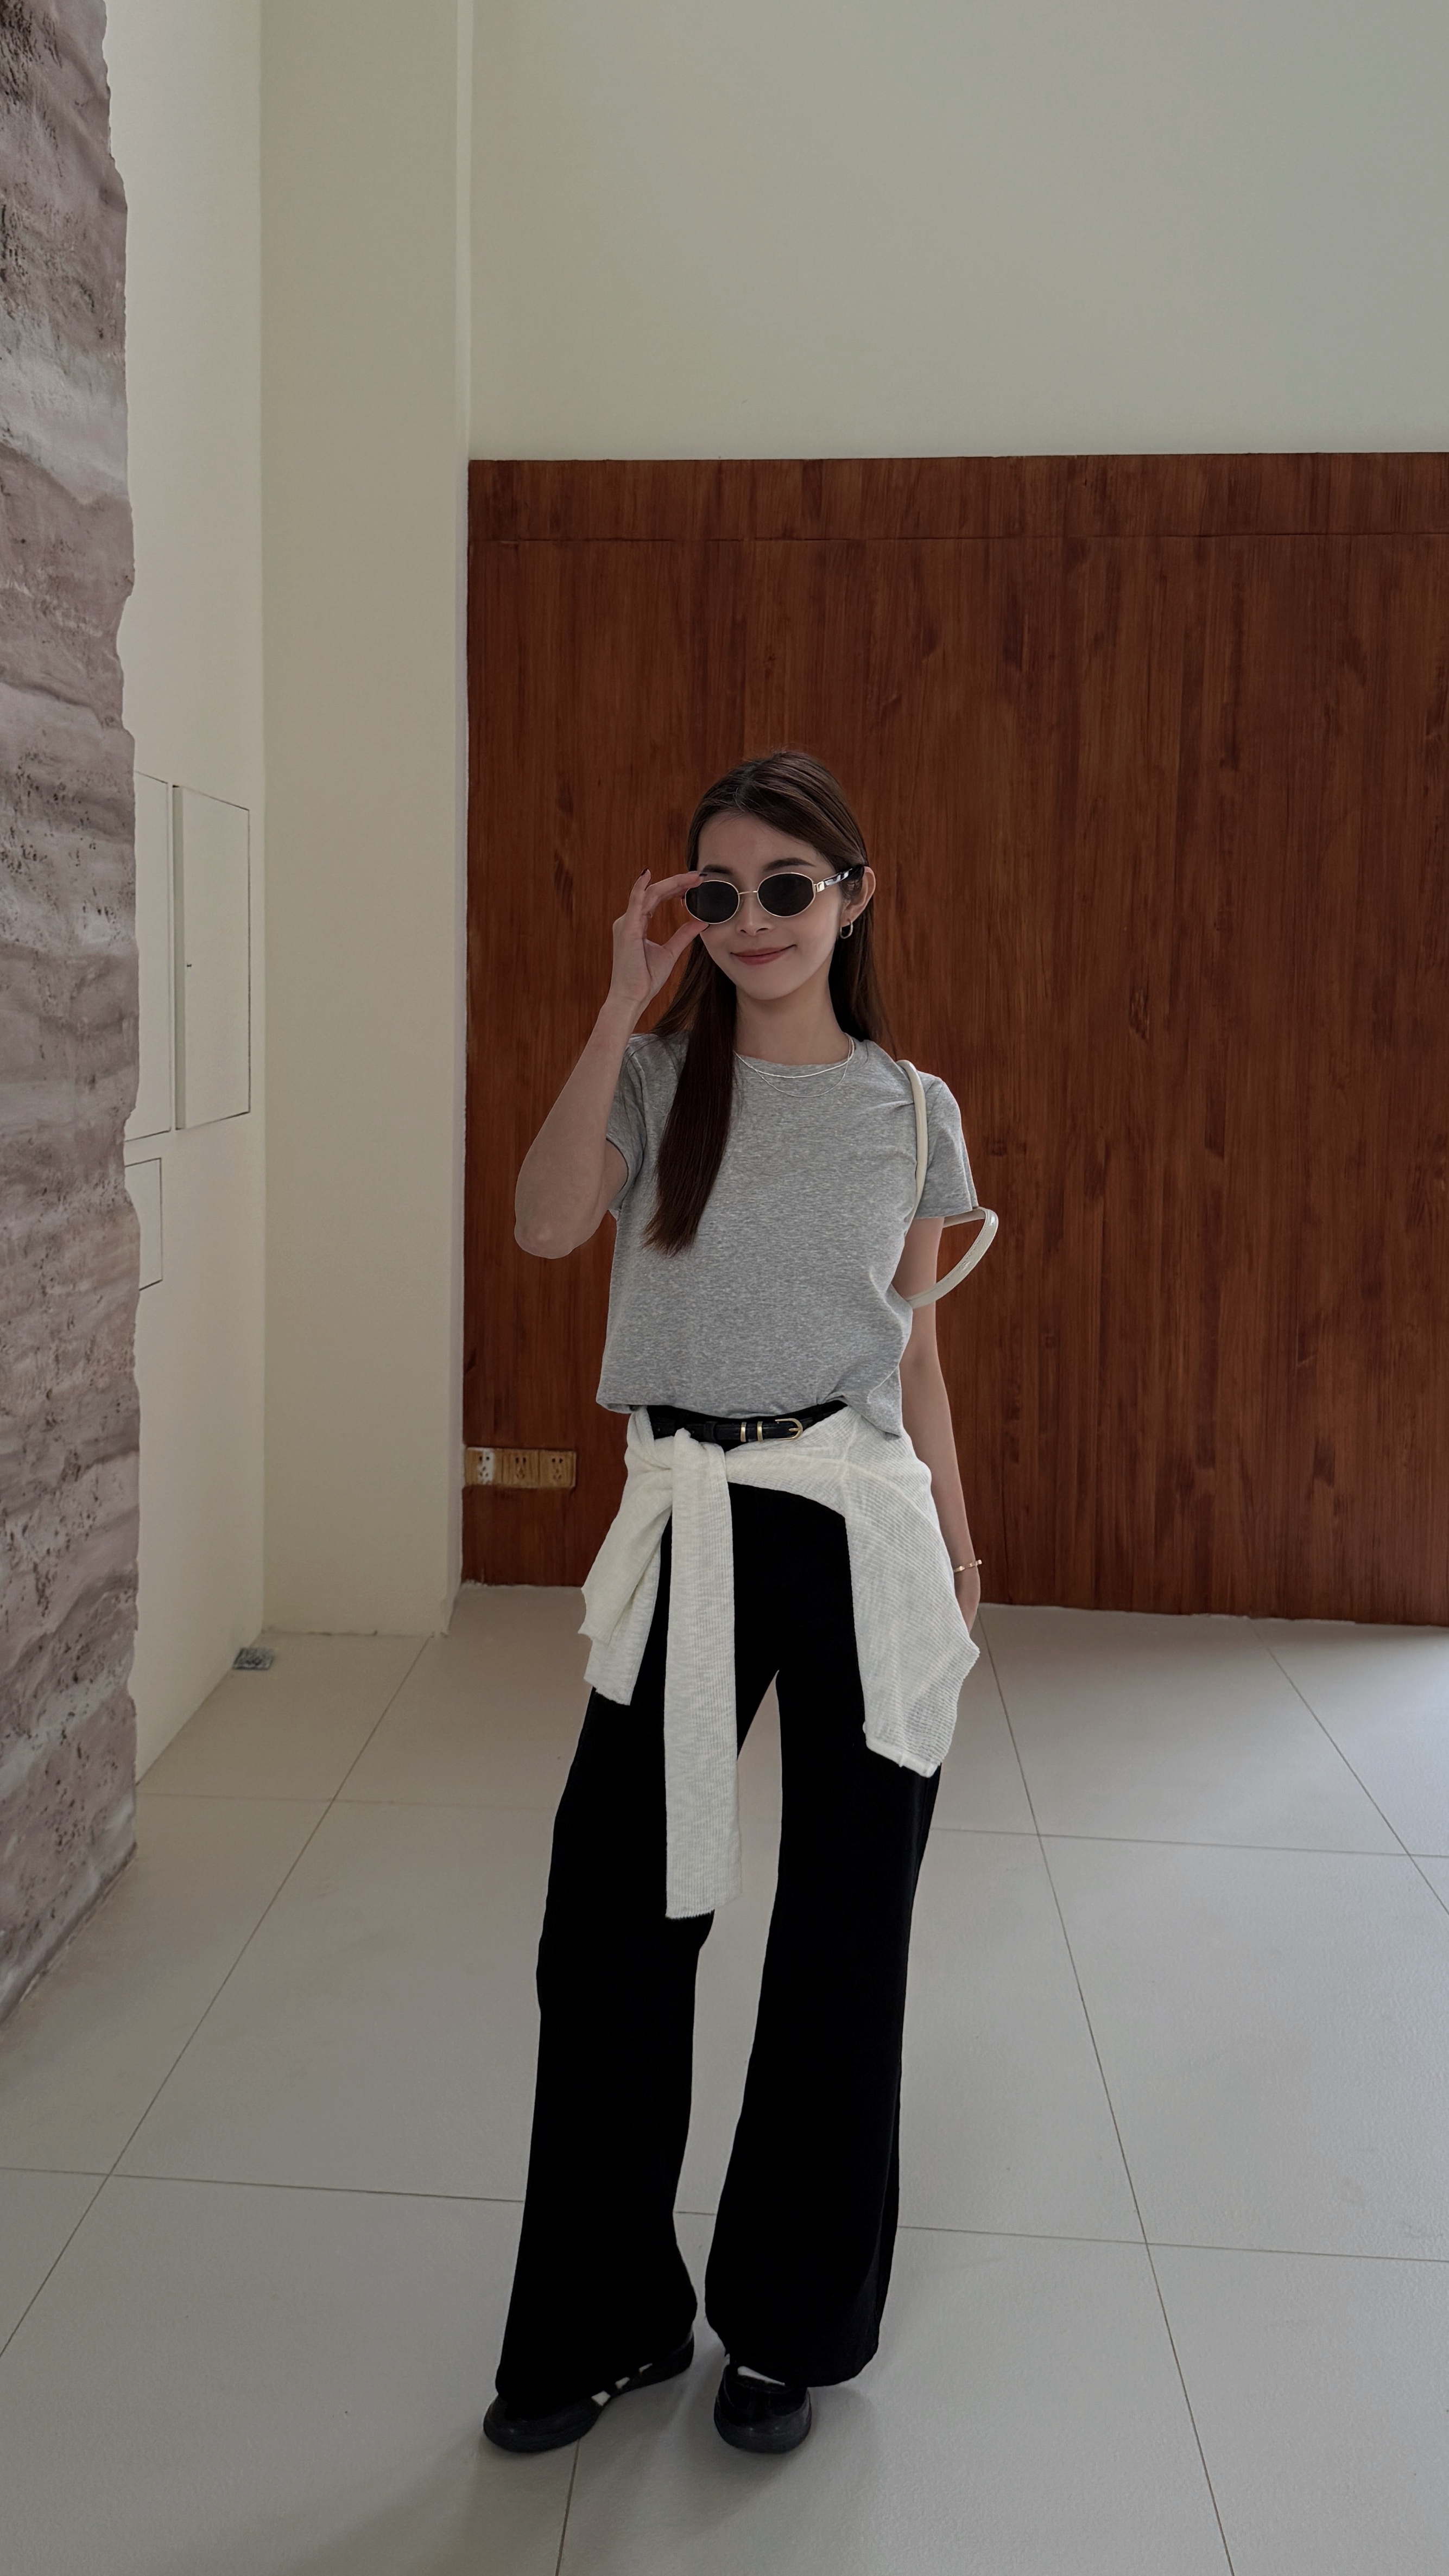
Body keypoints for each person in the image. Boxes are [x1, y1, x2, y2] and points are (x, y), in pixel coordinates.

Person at [483, 750, 986, 2460]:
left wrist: (959, 1555)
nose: (754, 917)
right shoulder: (652, 1077)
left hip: (859, 1525)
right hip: (689, 1522)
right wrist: (617, 1002)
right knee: (612, 1929)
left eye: (788, 884)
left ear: (855, 896)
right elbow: (547, 1223)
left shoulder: (913, 1110)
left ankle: (790, 2323)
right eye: (720, 890)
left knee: (847, 1932)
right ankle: (607, 2314)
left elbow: (917, 1354)